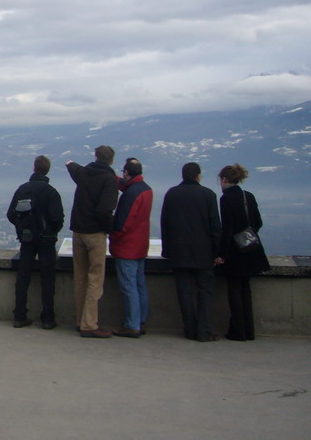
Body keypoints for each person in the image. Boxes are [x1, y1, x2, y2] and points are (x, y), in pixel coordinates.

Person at [160, 162, 222, 342]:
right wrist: (216, 251)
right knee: (206, 292)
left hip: (179, 252)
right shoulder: (208, 195)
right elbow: (215, 227)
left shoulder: (172, 194)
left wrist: (167, 250)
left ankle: (190, 329)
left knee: (184, 293)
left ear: (183, 175)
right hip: (203, 253)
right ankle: (204, 331)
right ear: (198, 176)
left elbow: (166, 223)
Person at [66, 145, 119, 338]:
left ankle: (80, 320)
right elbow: (105, 210)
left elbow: (73, 168)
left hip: (78, 231)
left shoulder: (83, 174)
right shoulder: (109, 180)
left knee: (80, 277)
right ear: (111, 160)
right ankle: (89, 324)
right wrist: (110, 229)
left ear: (96, 157)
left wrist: (69, 163)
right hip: (95, 233)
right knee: (95, 278)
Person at [6, 155, 65, 329]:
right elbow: (57, 218)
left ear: (34, 168)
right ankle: (47, 318)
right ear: (47, 170)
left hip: (27, 240)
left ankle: (19, 315)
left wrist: (23, 228)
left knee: (23, 277)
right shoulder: (51, 192)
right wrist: (51, 231)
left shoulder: (23, 189)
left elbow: (11, 214)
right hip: (46, 241)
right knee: (48, 279)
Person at [217, 163, 270, 341]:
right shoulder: (248, 196)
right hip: (251, 249)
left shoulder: (226, 199)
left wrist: (222, 254)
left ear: (224, 179)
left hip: (234, 252)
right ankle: (249, 330)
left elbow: (227, 229)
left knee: (234, 290)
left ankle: (238, 331)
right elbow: (258, 223)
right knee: (245, 289)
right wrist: (247, 237)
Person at [109, 158, 152, 338]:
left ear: (127, 173)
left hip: (127, 247)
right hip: (140, 245)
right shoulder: (145, 189)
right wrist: (113, 177)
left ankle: (131, 324)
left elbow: (123, 223)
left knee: (129, 288)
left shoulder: (130, 195)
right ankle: (140, 321)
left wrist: (113, 236)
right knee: (140, 285)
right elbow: (126, 185)